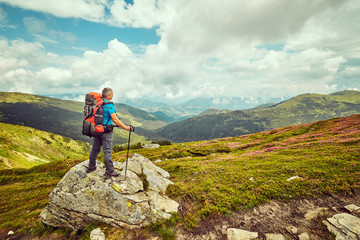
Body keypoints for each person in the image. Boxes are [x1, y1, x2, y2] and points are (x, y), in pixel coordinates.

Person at [86, 87, 133, 177]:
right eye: (112, 94)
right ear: (108, 95)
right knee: (107, 151)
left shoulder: (97, 103)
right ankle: (110, 171)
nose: (113, 95)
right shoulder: (109, 105)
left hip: (96, 130)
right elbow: (115, 120)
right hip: (106, 131)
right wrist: (127, 128)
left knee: (94, 149)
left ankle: (91, 167)